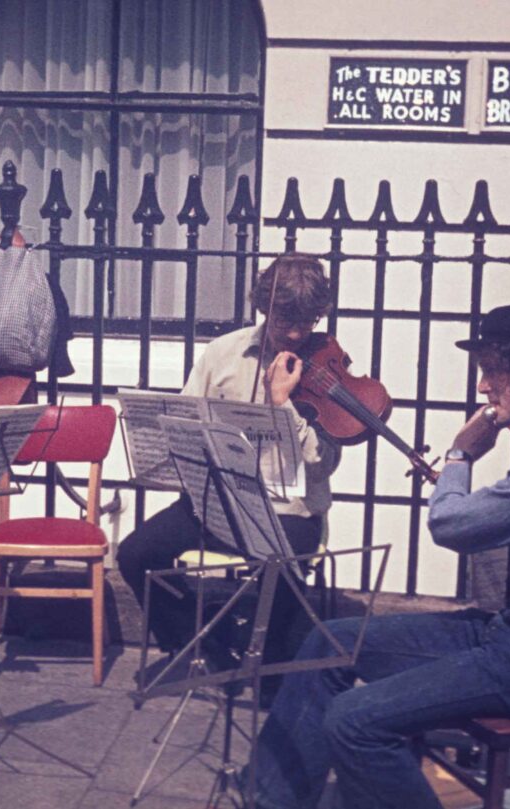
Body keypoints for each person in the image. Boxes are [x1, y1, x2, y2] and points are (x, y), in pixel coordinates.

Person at [250, 302, 510, 809]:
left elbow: (449, 525)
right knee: (328, 642)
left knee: (356, 720)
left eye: (492, 371)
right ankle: (270, 802)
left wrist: (460, 454)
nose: (482, 388)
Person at [116, 253, 342, 687]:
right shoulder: (224, 352)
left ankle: (269, 671)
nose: (295, 333)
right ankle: (209, 644)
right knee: (136, 555)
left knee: (284, 565)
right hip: (218, 499)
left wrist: (284, 405)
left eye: (307, 321)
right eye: (283, 319)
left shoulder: (328, 368)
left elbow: (322, 461)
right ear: (263, 307)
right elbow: (182, 419)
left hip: (290, 510)